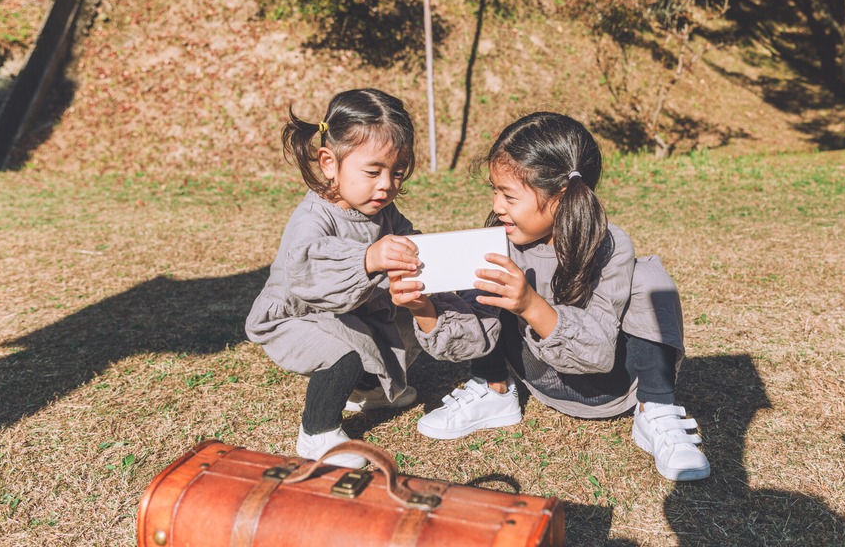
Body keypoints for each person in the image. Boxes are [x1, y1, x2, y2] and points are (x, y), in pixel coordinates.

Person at [390, 111, 709, 481]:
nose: (497, 205)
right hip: (538, 380)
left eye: (508, 194)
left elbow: (598, 355)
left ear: (560, 197)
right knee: (494, 272)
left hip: (612, 387)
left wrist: (529, 304)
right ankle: (494, 390)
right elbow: (471, 340)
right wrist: (422, 307)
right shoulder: (501, 241)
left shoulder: (610, 245)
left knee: (651, 276)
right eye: (494, 190)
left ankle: (656, 408)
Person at [245, 88, 423, 468]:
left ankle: (370, 389)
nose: (386, 185)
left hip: (352, 311)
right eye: (373, 171)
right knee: (343, 352)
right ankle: (318, 431)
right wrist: (368, 257)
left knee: (402, 324)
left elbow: (407, 238)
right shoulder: (315, 218)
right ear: (330, 163)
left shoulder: (382, 211)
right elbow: (308, 269)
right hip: (297, 315)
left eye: (397, 173)